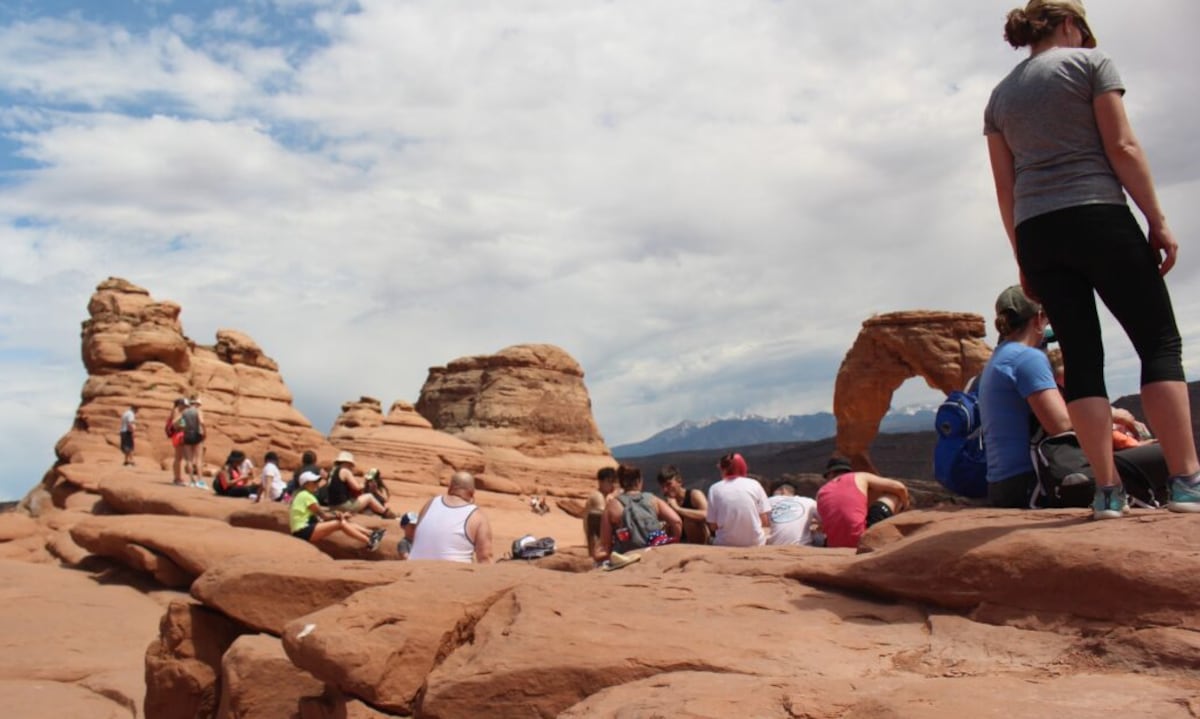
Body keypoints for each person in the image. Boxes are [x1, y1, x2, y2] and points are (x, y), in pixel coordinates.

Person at [985, 0, 1200, 517]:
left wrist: (1022, 257)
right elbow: (1122, 145)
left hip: (1037, 231)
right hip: (1098, 212)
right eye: (1084, 31)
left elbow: (1004, 188)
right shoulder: (1090, 66)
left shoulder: (999, 97)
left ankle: (1107, 493)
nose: (1087, 40)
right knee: (1159, 342)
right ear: (1067, 24)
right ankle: (1187, 483)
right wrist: (1157, 218)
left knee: (1083, 358)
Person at [979, 287, 1074, 508]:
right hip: (1031, 484)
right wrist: (1111, 414)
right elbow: (1060, 425)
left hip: (1002, 483)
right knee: (1155, 458)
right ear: (1039, 318)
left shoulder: (998, 358)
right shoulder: (1027, 357)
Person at [592, 465, 682, 564]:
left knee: (597, 562)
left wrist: (598, 555)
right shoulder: (652, 499)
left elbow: (605, 546)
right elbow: (676, 521)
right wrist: (674, 544)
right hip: (655, 550)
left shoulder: (612, 505)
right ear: (639, 481)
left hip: (627, 554)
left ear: (621, 483)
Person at [816, 457, 910, 549]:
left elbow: (823, 524)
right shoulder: (859, 476)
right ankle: (889, 533)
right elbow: (900, 487)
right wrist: (905, 504)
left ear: (830, 473)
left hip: (833, 545)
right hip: (862, 539)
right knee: (894, 495)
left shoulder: (820, 492)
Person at [408, 471, 493, 563]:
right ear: (472, 493)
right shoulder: (477, 515)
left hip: (414, 566)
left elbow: (417, 535)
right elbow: (485, 557)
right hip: (452, 573)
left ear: (450, 488)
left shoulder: (430, 503)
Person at [290, 471, 384, 551]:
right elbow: (324, 516)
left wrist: (338, 514)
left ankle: (371, 534)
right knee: (339, 523)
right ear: (306, 484)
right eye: (314, 482)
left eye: (317, 481)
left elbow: (320, 512)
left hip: (305, 529)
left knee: (342, 521)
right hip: (303, 531)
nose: (317, 484)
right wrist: (338, 515)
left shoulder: (303, 495)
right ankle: (369, 541)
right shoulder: (306, 496)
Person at [705, 452, 771, 547]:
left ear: (723, 469)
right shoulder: (755, 484)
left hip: (724, 544)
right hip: (756, 543)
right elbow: (764, 520)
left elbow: (713, 526)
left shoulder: (714, 488)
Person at [327, 451, 396, 519]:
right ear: (348, 462)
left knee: (358, 499)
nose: (351, 467)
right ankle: (385, 513)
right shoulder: (345, 471)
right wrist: (363, 485)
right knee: (369, 497)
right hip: (342, 506)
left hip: (332, 506)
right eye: (351, 464)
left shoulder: (332, 471)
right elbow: (356, 487)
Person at [656, 465, 710, 544]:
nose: (665, 489)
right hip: (680, 541)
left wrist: (677, 509)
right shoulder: (666, 502)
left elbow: (706, 514)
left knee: (690, 521)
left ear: (679, 481)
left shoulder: (694, 495)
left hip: (700, 540)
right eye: (663, 486)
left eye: (668, 484)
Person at [766, 479, 819, 547]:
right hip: (804, 546)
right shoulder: (809, 502)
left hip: (775, 546)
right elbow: (825, 520)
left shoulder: (770, 500)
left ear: (783, 490)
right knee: (818, 536)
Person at [584, 467, 620, 557]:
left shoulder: (605, 495)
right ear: (600, 482)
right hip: (596, 539)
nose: (612, 485)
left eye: (614, 482)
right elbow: (604, 517)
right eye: (609, 482)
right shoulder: (597, 496)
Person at [179, 399, 205, 487]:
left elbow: (181, 425)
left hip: (186, 435)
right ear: (196, 404)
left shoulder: (184, 412)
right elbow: (201, 422)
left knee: (189, 460)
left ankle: (192, 480)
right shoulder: (198, 411)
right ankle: (200, 481)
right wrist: (205, 432)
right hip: (196, 435)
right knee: (198, 459)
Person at [167, 398, 189, 486]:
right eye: (185, 405)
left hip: (179, 434)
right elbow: (174, 422)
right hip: (178, 435)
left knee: (179, 458)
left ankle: (178, 478)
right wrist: (182, 416)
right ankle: (177, 479)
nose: (186, 407)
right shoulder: (177, 411)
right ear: (180, 405)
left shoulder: (177, 411)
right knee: (178, 458)